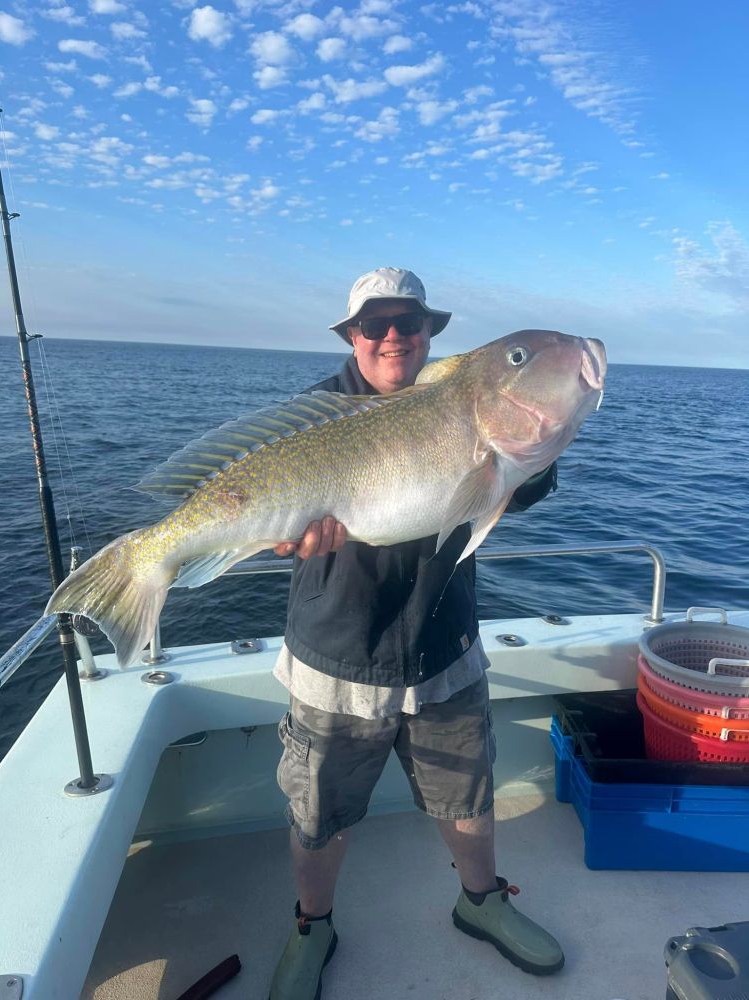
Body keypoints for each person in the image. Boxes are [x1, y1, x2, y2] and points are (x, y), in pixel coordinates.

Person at [268, 268, 563, 1000]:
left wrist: (536, 428)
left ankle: (482, 901)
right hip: (336, 655)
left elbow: (520, 486)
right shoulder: (314, 418)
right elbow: (272, 509)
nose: (394, 334)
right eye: (376, 323)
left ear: (431, 333)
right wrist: (283, 532)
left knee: (470, 795)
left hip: (443, 650)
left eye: (410, 321)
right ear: (352, 336)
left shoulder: (461, 402)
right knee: (318, 814)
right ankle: (312, 926)